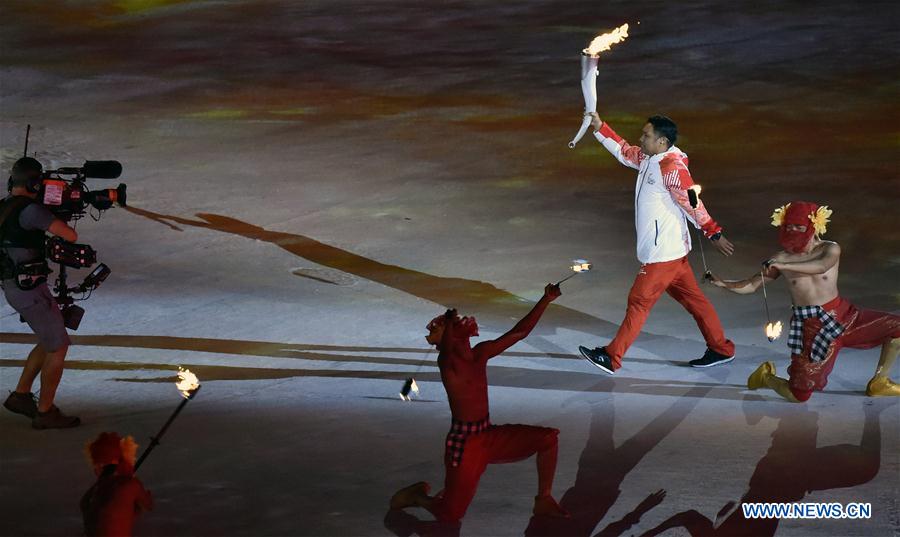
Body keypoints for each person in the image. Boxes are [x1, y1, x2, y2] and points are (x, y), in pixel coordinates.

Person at [390, 284, 569, 524]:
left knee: (547, 439)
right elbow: (447, 353)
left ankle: (544, 499)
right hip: (465, 445)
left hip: (487, 435)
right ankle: (418, 497)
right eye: (453, 328)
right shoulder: (449, 365)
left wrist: (545, 300)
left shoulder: (481, 353)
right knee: (451, 515)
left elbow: (519, 333)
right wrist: (449, 325)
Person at [578, 114, 735, 373]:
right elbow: (624, 151)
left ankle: (611, 357)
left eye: (646, 135)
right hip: (672, 253)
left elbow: (692, 203)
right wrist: (599, 127)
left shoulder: (672, 168)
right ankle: (721, 348)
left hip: (663, 254)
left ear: (662, 141)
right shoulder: (648, 158)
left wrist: (714, 233)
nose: (641, 139)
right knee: (695, 301)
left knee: (639, 301)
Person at [709, 201, 900, 401]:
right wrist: (724, 284)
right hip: (812, 327)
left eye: (798, 227)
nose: (792, 231)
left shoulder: (830, 249)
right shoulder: (781, 258)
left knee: (896, 328)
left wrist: (784, 266)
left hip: (844, 316)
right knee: (799, 395)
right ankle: (766, 377)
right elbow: (751, 285)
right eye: (788, 226)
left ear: (814, 225)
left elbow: (821, 266)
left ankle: (880, 381)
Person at [1, 156, 81, 428]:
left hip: (16, 287)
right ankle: (45, 413)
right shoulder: (31, 211)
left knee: (48, 341)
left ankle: (21, 395)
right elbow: (70, 236)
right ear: (35, 184)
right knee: (58, 348)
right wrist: (52, 213)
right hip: (30, 290)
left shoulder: (4, 207)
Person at [81, 432, 153, 536]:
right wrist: (146, 496)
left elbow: (95, 511)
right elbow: (149, 505)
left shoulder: (91, 494)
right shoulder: (131, 484)